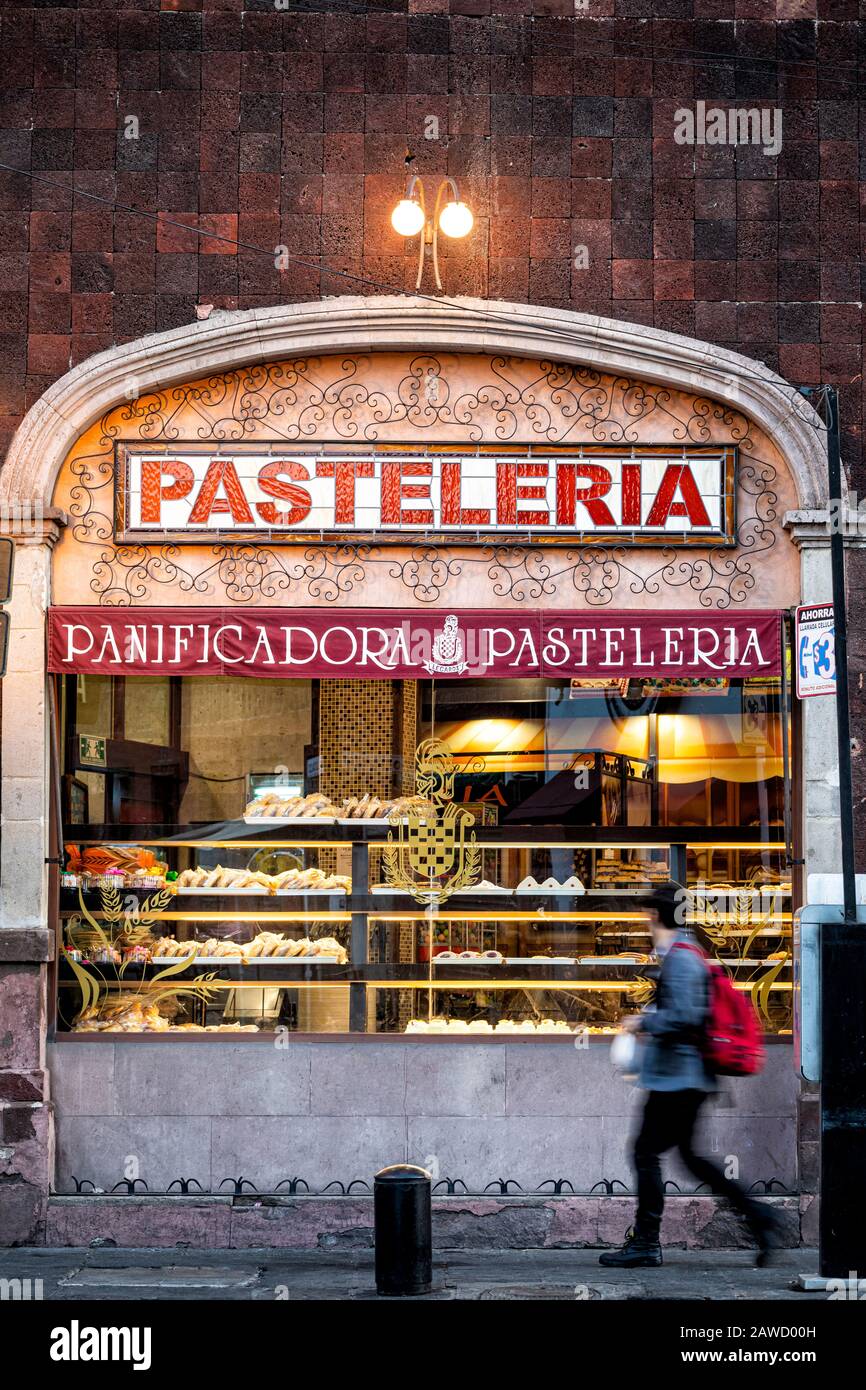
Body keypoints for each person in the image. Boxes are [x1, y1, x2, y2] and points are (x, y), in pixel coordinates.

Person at [599, 885, 783, 1269]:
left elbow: (685, 1017)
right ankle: (760, 1218)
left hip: (678, 1079)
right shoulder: (683, 953)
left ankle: (647, 1244)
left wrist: (641, 1021)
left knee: (645, 1152)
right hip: (684, 1077)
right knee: (691, 1158)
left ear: (654, 916)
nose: (643, 922)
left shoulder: (681, 958)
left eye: (646, 915)